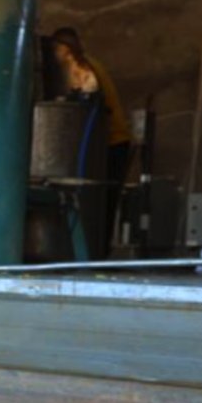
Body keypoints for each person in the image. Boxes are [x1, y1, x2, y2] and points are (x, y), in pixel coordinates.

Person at [52, 27, 130, 254]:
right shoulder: (86, 64)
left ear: (65, 50)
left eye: (55, 50)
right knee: (96, 204)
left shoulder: (82, 69)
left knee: (99, 205)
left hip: (109, 143)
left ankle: (95, 254)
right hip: (104, 143)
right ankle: (92, 252)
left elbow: (88, 105)